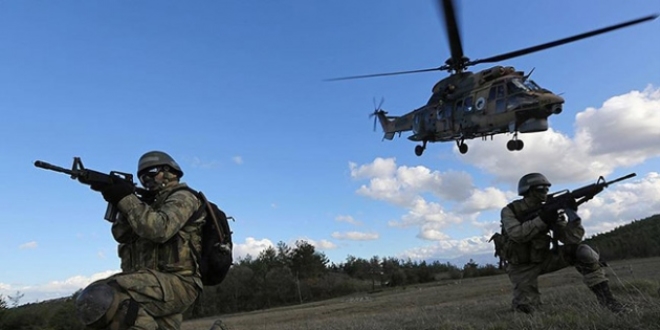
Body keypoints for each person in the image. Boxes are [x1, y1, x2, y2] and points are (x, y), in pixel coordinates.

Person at [74, 151, 205, 330]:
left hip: (179, 283)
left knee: (105, 295)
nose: (147, 179)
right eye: (142, 177)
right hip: (153, 285)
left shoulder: (184, 197)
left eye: (152, 172)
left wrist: (126, 198)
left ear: (170, 171)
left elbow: (159, 229)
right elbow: (121, 234)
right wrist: (117, 198)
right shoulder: (146, 205)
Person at [500, 173, 624, 314]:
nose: (545, 193)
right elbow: (517, 234)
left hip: (544, 258)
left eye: (546, 189)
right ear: (528, 190)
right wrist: (543, 219)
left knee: (583, 251)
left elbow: (571, 239)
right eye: (541, 189)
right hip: (521, 267)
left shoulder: (549, 209)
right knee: (526, 310)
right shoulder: (510, 210)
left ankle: (609, 302)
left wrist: (572, 219)